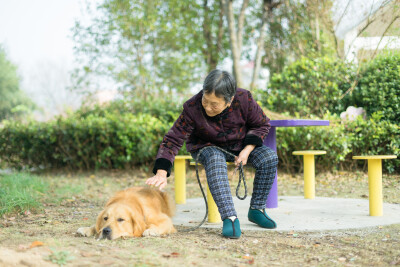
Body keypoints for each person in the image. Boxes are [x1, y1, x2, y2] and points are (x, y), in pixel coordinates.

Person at [146, 69, 278, 239]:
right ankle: (230, 217)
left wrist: (247, 150)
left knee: (269, 158)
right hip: (206, 147)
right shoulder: (192, 107)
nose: (207, 107)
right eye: (205, 100)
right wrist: (161, 172)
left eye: (214, 104)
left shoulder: (244, 99)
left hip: (240, 145)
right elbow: (173, 138)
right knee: (215, 158)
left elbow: (261, 124)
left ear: (229, 101)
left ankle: (257, 209)